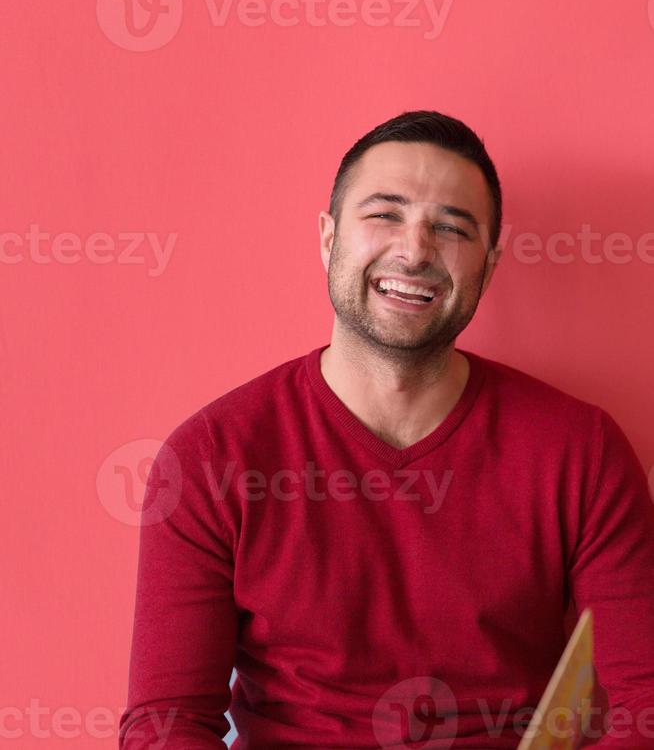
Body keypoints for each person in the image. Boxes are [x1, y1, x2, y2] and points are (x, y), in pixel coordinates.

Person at [118, 109, 654, 749]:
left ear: (491, 261)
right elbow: (166, 724)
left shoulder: (580, 451)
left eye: (452, 227)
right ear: (328, 237)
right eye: (384, 214)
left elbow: (644, 704)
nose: (415, 249)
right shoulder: (211, 457)